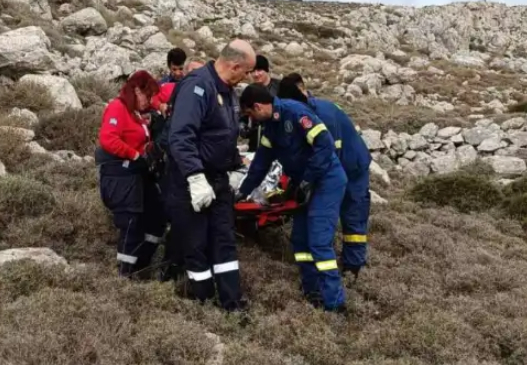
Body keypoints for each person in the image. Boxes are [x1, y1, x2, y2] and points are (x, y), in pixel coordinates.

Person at [236, 83, 349, 313]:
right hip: (303, 184)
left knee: (318, 241)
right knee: (300, 241)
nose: (252, 120)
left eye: (250, 114)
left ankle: (335, 304)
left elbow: (324, 145)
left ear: (257, 106)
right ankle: (312, 291)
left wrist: (308, 180)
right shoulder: (270, 129)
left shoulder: (295, 113)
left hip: (326, 181)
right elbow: (260, 163)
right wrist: (243, 191)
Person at [163, 39, 256, 311]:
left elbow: (220, 135)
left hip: (218, 180)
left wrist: (235, 163)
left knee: (224, 242)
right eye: (247, 71)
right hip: (191, 182)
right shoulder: (197, 86)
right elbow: (181, 137)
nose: (247, 77)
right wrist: (194, 176)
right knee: (197, 244)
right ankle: (202, 303)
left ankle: (231, 303)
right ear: (235, 65)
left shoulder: (227, 91)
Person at [277, 73, 372, 277]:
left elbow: (329, 155)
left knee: (352, 215)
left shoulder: (323, 114)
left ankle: (353, 266)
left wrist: (311, 182)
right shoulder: (301, 113)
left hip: (352, 167)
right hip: (335, 167)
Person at [95, 71, 164, 279]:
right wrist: (134, 154)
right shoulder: (118, 108)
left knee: (157, 218)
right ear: (136, 91)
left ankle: (142, 264)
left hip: (138, 174)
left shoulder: (136, 114)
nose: (150, 101)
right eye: (147, 96)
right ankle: (125, 273)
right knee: (131, 222)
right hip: (121, 174)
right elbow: (109, 139)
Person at [241, 54, 280, 152]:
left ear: (267, 70)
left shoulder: (280, 88)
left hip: (276, 141)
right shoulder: (249, 90)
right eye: (253, 71)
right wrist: (242, 126)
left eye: (259, 70)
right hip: (255, 142)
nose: (256, 74)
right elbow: (243, 114)